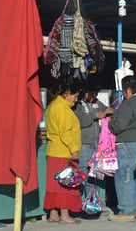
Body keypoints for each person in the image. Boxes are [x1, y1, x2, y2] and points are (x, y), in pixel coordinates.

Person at [106, 75, 136, 222]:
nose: (123, 94)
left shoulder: (128, 104)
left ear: (129, 90)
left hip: (127, 145)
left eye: (124, 91)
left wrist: (109, 122)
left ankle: (126, 210)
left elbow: (118, 126)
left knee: (125, 177)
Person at [43, 82, 82, 224]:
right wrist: (74, 149)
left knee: (54, 185)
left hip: (54, 151)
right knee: (66, 184)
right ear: (66, 93)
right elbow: (65, 132)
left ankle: (54, 214)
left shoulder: (53, 106)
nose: (76, 100)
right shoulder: (62, 108)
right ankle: (65, 215)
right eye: (75, 96)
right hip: (63, 152)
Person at [73, 86, 109, 210]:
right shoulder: (79, 104)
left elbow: (106, 110)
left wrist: (109, 111)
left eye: (96, 93)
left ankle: (92, 202)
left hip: (96, 147)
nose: (94, 96)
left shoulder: (97, 102)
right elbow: (79, 121)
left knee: (94, 175)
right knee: (82, 173)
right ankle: (78, 202)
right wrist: (94, 115)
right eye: (92, 93)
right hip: (84, 145)